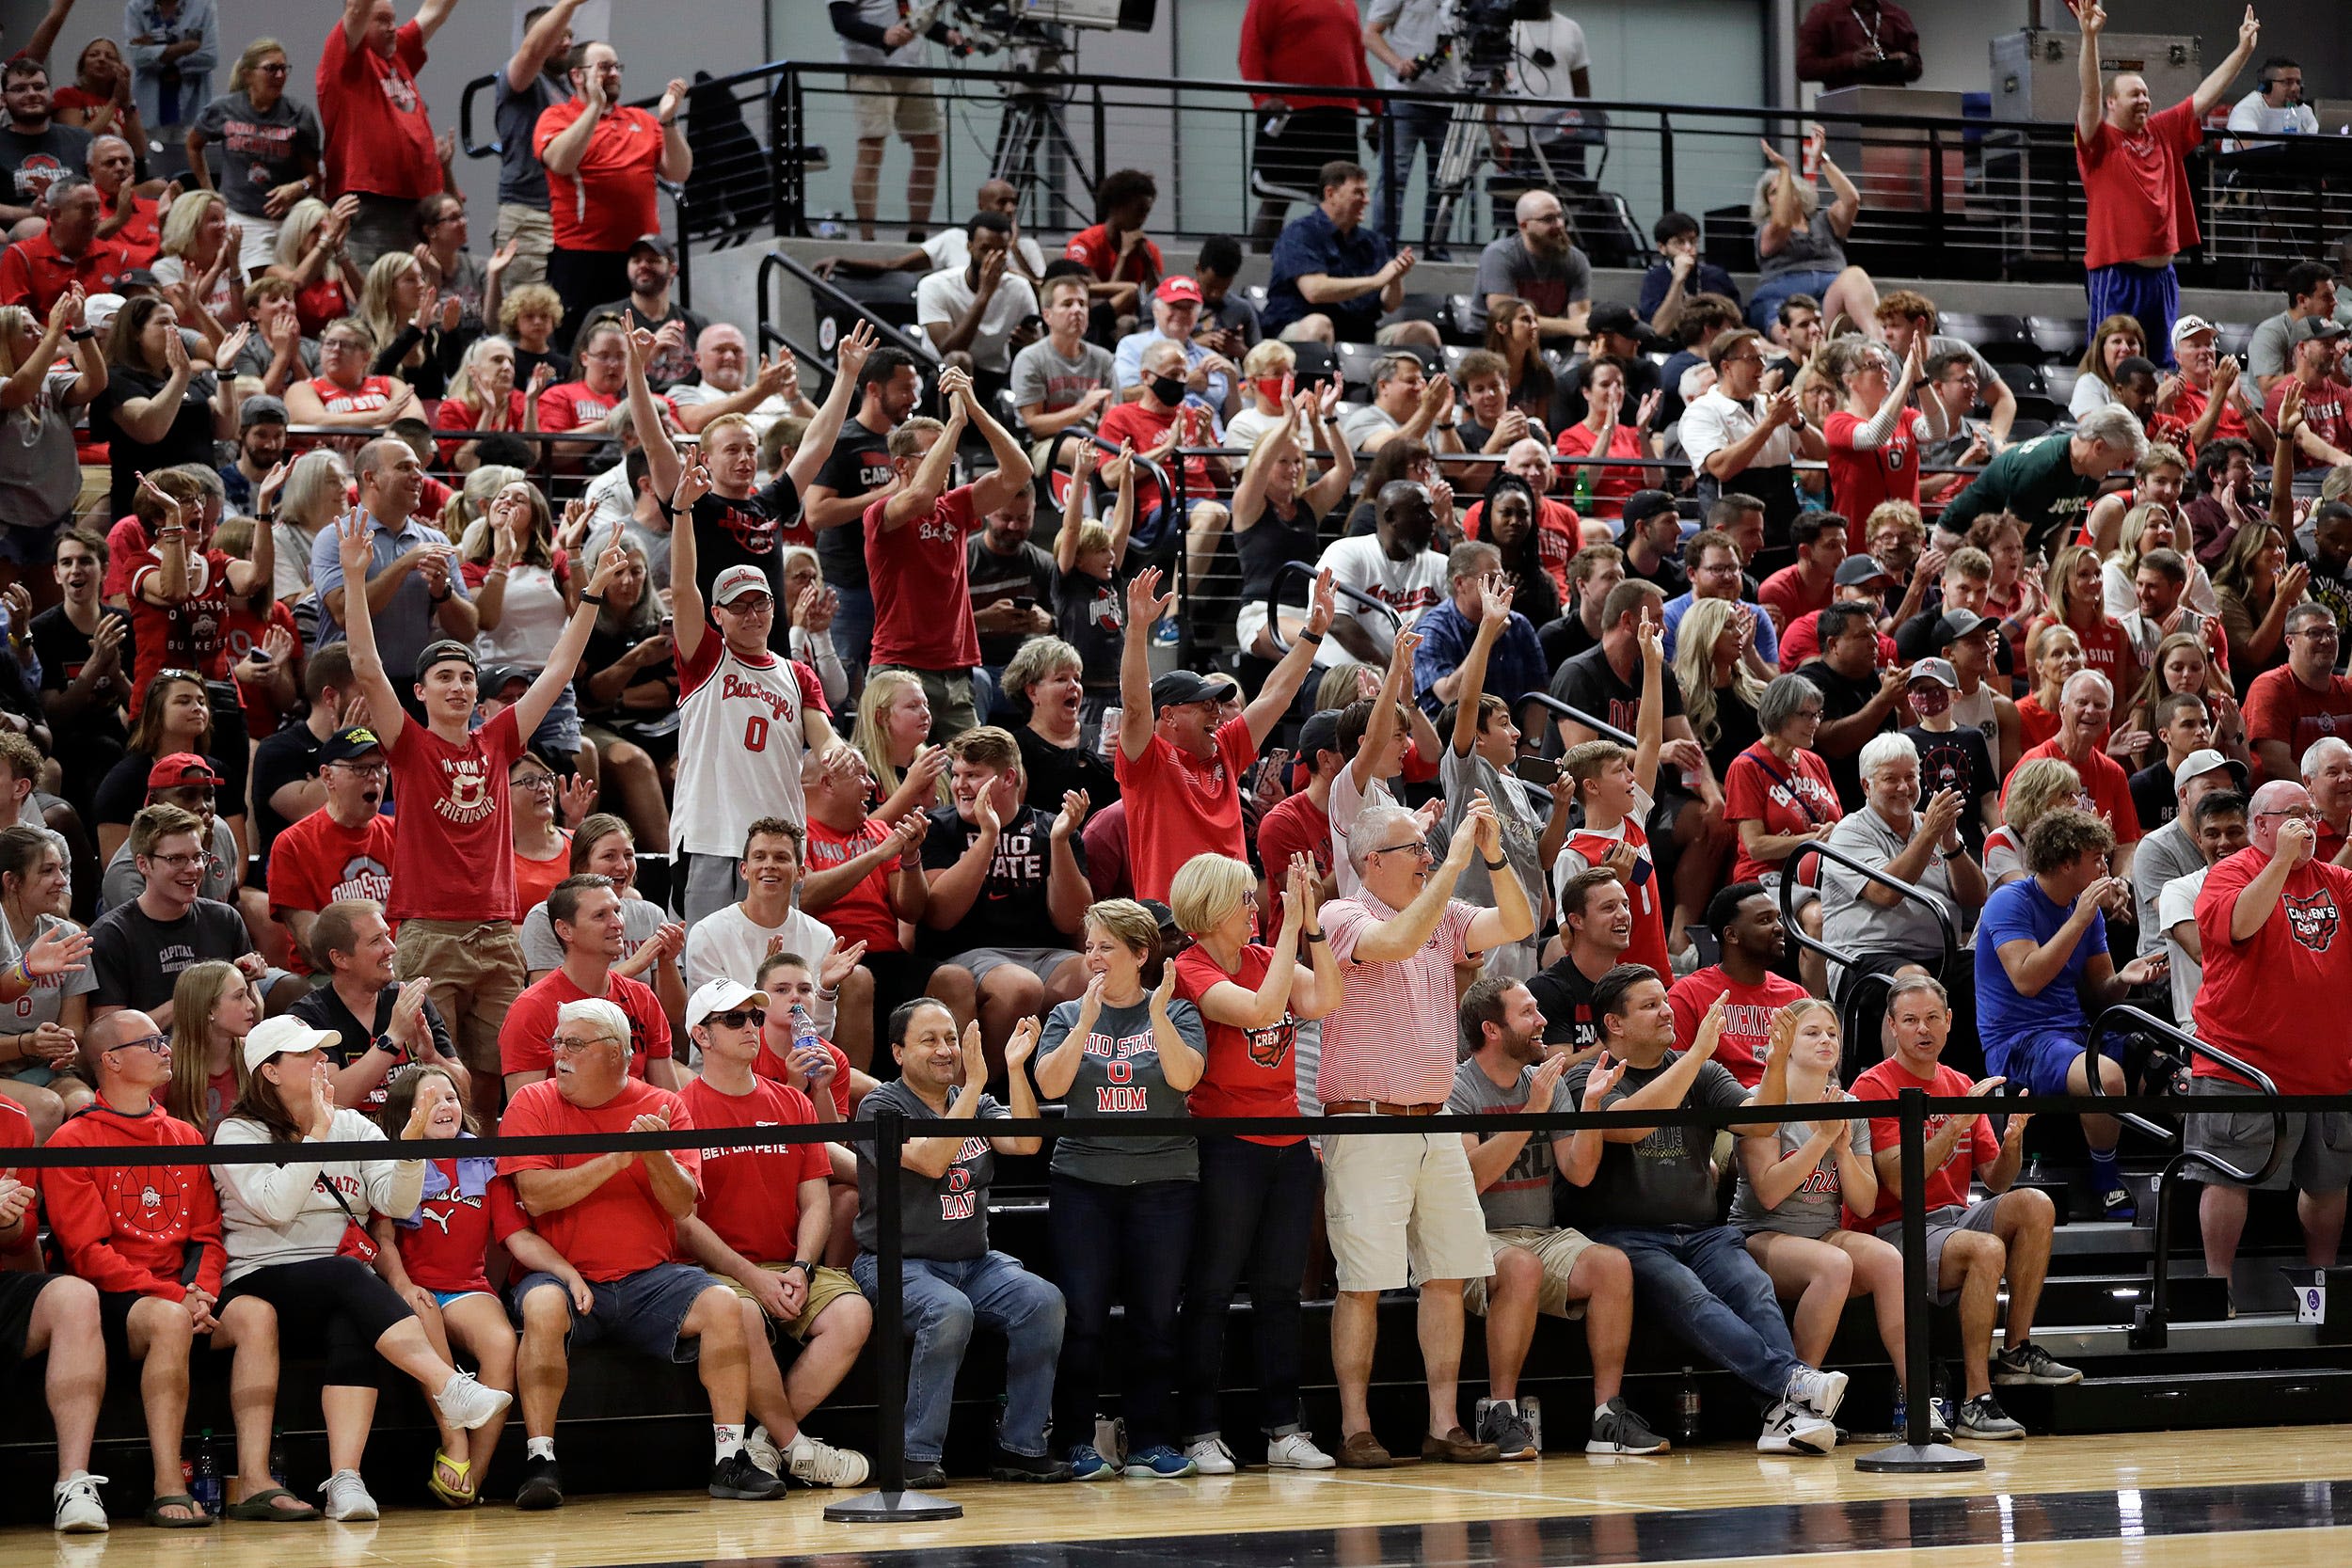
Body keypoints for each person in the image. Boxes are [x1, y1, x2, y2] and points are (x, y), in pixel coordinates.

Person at [328, 505, 622, 1123]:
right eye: (444, 677)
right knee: (430, 1079)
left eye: (466, 676)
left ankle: (494, 1181)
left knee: (505, 1077)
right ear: (422, 691)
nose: (458, 686)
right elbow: (363, 665)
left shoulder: (499, 739)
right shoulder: (409, 745)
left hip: (495, 932)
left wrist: (591, 591)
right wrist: (354, 580)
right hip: (428, 933)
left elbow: (561, 667)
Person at [215, 1013, 513, 1521]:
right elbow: (275, 1207)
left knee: (352, 1316)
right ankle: (447, 1385)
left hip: (337, 1283)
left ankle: (345, 1481)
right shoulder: (237, 1131)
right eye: (307, 1055)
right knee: (352, 1277)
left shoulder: (353, 1123)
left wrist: (411, 1149)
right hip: (261, 1275)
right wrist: (319, 1136)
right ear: (270, 1071)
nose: (323, 1061)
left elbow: (394, 1204)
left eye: (323, 1052)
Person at [1314, 790, 1531, 1467]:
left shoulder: (1440, 911)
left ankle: (1443, 1423)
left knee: (1447, 1273)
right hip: (1367, 1120)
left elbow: (1520, 921)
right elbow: (1399, 938)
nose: (1430, 856)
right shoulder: (1341, 913)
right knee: (1363, 1282)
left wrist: (1491, 853)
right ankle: (1355, 1425)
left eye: (1430, 848)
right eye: (1416, 848)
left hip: (1434, 1120)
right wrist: (1458, 854)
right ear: (1371, 859)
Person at [500, 996, 787, 1505]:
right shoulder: (533, 1103)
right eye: (557, 1042)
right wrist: (614, 1160)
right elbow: (536, 1193)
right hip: (562, 1276)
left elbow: (682, 1206)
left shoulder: (665, 1106)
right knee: (542, 1307)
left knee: (726, 1304)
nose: (559, 1054)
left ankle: (729, 1460)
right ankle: (540, 1461)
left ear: (618, 1054)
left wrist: (654, 1157)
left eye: (574, 1044)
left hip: (649, 1278)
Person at [43, 1007, 310, 1525]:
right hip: (115, 1303)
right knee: (168, 1322)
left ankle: (254, 1479)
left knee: (256, 1314)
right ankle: (168, 1484)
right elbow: (87, 1253)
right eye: (151, 1042)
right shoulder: (70, 1142)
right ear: (112, 1061)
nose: (166, 1048)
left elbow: (209, 1236)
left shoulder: (186, 1137)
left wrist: (202, 1291)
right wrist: (174, 1298)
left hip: (186, 1295)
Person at [1562, 972, 1846, 1453]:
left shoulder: (1707, 1074)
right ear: (1615, 1022)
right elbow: (1629, 1126)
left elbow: (1759, 1125)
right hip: (1625, 1234)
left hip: (1700, 1231)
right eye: (1650, 1005)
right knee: (1693, 1298)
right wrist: (1696, 1054)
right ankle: (1793, 1386)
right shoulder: (1589, 1075)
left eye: (1665, 1001)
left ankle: (1783, 1416)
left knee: (1754, 1288)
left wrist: (1775, 1064)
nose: (1667, 1011)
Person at [1168, 851, 1341, 1472]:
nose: (1253, 908)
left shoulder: (1266, 958)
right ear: (1212, 907)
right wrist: (1290, 923)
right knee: (1211, 1291)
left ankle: (1284, 1428)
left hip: (1289, 1145)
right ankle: (1199, 1430)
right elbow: (1263, 1012)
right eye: (1245, 899)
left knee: (1279, 1291)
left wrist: (1309, 922)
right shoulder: (1189, 968)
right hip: (1224, 1144)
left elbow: (1323, 998)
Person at [853, 998, 1068, 1485]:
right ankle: (914, 1454)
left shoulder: (978, 1103)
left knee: (1042, 1301)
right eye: (929, 1040)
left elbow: (1027, 1143)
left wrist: (1014, 1069)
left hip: (974, 1262)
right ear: (898, 1053)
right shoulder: (881, 1105)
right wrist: (972, 1083)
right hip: (894, 1263)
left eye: (951, 1038)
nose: (945, 1050)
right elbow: (930, 1161)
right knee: (948, 1310)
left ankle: (1020, 1446)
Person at [652, 396, 847, 927]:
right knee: (708, 980)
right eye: (739, 606)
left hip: (777, 846)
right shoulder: (703, 657)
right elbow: (682, 586)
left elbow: (822, 733)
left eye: (761, 602)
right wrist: (683, 512)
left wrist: (835, 749)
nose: (753, 614)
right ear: (719, 613)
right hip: (713, 836)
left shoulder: (795, 672)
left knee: (777, 974)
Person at [1851, 974, 2074, 1437]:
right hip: (1896, 1229)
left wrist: (2012, 1140)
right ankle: (1976, 1400)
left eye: (1933, 1018)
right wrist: (1955, 1124)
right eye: (1910, 1020)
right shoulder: (1873, 1086)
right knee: (1986, 1249)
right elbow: (1898, 1182)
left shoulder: (1959, 1082)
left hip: (1953, 1219)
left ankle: (2017, 1351)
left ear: (1950, 1022)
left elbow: (1996, 1180)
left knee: (2035, 1202)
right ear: (1892, 1026)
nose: (1923, 1029)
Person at [672, 978, 874, 1487]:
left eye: (755, 1018)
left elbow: (815, 1198)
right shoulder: (679, 1109)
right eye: (734, 1019)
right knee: (738, 1311)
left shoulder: (793, 1102)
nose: (751, 1028)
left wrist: (803, 1267)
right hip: (714, 1269)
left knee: (853, 1312)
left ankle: (763, 1443)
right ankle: (797, 1447)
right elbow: (683, 1220)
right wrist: (753, 1278)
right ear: (700, 1036)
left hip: (788, 1263)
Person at [1029, 898, 1205, 1479]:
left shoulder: (1178, 1014)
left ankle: (1151, 1438)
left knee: (1155, 1316)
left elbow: (1183, 1080)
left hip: (1165, 1183)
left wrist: (1154, 1013)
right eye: (1089, 946)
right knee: (1083, 1318)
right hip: (1084, 1184)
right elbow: (1051, 1086)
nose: (1094, 957)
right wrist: (1084, 1021)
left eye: (1106, 946)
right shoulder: (1063, 1015)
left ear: (1139, 952)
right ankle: (1077, 1438)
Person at [1452, 976, 1662, 1456]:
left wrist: (1589, 1104)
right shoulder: (1459, 1087)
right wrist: (1531, 1113)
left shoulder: (1545, 1082)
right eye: (1527, 1013)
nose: (1543, 1020)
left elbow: (1580, 1172)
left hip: (1541, 1233)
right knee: (1521, 1268)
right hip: (1473, 1238)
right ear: (1492, 1029)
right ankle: (1500, 1412)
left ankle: (1607, 1416)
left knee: (1612, 1265)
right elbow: (1471, 1180)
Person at [1726, 999, 1923, 1432]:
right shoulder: (1761, 1104)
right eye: (1812, 1032)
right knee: (1835, 1265)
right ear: (1787, 1045)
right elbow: (1771, 1193)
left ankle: (1917, 1402)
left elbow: (1866, 1203)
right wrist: (1820, 1140)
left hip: (1824, 1232)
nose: (1826, 1040)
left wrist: (1840, 1149)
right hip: (1759, 1236)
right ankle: (1794, 1401)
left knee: (1891, 1261)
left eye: (1832, 1033)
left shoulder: (1850, 1104)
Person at [2187, 780, 2352, 1287]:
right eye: (2294, 814)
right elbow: (2241, 924)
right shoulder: (2227, 874)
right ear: (2261, 825)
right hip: (2241, 1066)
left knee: (2329, 1184)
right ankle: (2219, 1287)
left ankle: (2321, 1286)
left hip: (2327, 1068)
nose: (2309, 823)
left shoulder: (2336, 881)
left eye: (2312, 814)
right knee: (2226, 1179)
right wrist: (2280, 861)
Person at [1976, 808, 2168, 1218]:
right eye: (2097, 858)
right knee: (2107, 1076)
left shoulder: (2088, 912)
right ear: (2066, 862)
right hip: (2019, 1039)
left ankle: (2186, 1180)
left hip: (2074, 1030)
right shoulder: (2009, 902)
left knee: (2168, 1070)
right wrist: (2078, 919)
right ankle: (2104, 1183)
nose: (2106, 867)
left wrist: (2124, 979)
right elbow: (2027, 979)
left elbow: (2101, 994)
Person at [1116, 564, 1336, 902]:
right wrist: (1138, 629)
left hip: (1237, 923)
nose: (1218, 712)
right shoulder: (1148, 761)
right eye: (1205, 705)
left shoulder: (1225, 749)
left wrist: (1313, 634)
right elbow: (1134, 706)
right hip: (1175, 928)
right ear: (1169, 715)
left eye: (1218, 704)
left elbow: (1275, 694)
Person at [2073, 0, 2262, 362]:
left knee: (2159, 366)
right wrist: (2089, 36)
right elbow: (2089, 93)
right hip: (2116, 275)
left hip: (2162, 277)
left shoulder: (2160, 131)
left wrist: (2242, 51)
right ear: (2112, 103)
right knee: (2112, 366)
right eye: (2135, 94)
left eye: (2146, 93)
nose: (2144, 99)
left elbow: (2205, 96)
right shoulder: (2098, 141)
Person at [864, 364, 1033, 737]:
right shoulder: (882, 514)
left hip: (957, 670)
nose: (945, 465)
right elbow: (919, 496)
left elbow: (1019, 473)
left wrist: (974, 409)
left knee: (971, 773)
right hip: (899, 668)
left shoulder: (955, 507)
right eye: (935, 454)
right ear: (901, 465)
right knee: (896, 780)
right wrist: (955, 422)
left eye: (948, 455)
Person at [914, 726, 1088, 1074]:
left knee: (1099, 976)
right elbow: (939, 915)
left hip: (1045, 953)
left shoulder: (1052, 827)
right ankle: (989, 1097)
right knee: (1020, 987)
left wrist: (1059, 843)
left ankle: (1067, 1088)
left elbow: (1072, 920)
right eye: (958, 774)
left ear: (1008, 778)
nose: (960, 785)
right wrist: (988, 835)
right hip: (968, 954)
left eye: (974, 775)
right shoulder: (938, 826)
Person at [532, 45, 689, 338]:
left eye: (617, 66)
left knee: (641, 345)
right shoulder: (556, 117)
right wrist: (594, 106)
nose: (614, 73)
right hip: (582, 258)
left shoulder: (642, 120)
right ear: (577, 75)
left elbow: (679, 172)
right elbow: (560, 162)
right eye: (605, 67)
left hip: (638, 256)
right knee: (582, 345)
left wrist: (667, 120)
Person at [684, 817, 868, 1060]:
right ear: (744, 870)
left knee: (867, 1088)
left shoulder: (821, 936)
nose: (769, 865)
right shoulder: (707, 933)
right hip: (729, 1067)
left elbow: (819, 1033)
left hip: (799, 1061)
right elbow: (715, 1028)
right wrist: (762, 987)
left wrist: (824, 992)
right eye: (760, 857)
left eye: (781, 858)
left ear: (800, 873)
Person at [316, 0, 460, 266]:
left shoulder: (398, 54)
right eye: (382, 20)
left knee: (419, 298)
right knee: (377, 297)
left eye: (393, 19)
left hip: (421, 205)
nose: (392, 27)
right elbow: (358, 9)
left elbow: (436, 10)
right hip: (374, 206)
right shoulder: (345, 59)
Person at [88, 803, 252, 1023]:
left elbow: (254, 1019)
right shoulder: (111, 935)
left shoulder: (225, 920)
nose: (193, 868)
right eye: (176, 859)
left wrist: (247, 980)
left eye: (197, 856)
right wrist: (196, 998)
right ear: (143, 864)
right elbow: (111, 1034)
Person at [1239, 1, 1375, 248]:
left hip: (1340, 118)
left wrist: (1378, 111)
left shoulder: (1348, 4)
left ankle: (1335, 281)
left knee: (1340, 206)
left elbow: (1357, 63)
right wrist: (1262, 98)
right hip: (1289, 114)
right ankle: (1258, 282)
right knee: (1275, 199)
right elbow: (1251, 48)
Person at [262, 725, 396, 970]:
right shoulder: (293, 844)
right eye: (359, 768)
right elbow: (310, 945)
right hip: (334, 974)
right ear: (327, 776)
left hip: (401, 963)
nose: (374, 776)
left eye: (379, 767)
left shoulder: (400, 834)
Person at [1939, 412, 2149, 561]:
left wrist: (2055, 573)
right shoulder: (2041, 468)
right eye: (2120, 459)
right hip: (1962, 538)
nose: (2119, 467)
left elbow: (2063, 524)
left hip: (2020, 544)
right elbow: (2010, 543)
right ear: (2099, 447)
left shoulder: (2091, 473)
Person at [1682, 328, 1826, 539]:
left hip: (1782, 527)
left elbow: (1820, 452)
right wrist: (1769, 423)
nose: (1762, 366)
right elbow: (1721, 468)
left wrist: (1796, 421)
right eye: (1752, 359)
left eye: (1762, 357)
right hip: (1731, 534)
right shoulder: (1702, 410)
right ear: (1726, 366)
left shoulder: (1770, 404)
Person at [829, 0, 952, 244]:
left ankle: (917, 235)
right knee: (871, 150)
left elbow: (918, 19)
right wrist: (883, 36)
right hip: (870, 69)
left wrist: (949, 35)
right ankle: (868, 238)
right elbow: (842, 20)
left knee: (929, 149)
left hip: (913, 68)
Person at [1262, 161, 1419, 347]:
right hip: (1299, 329)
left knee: (1421, 332)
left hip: (1360, 335)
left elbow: (1390, 305)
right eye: (1358, 193)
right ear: (1331, 194)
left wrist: (1395, 278)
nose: (1366, 200)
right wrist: (1376, 280)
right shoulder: (1300, 233)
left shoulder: (1372, 241)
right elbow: (1314, 291)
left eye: (1366, 192)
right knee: (1318, 325)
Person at [1669, 883, 1811, 1087]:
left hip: (1786, 1105)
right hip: (1722, 1110)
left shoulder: (1796, 995)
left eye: (1778, 918)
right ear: (1731, 935)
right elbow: (1674, 1075)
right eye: (1765, 920)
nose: (1779, 927)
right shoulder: (1688, 994)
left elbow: (1823, 1068)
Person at [2011, 670, 2144, 875]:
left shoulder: (2113, 772)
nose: (2090, 711)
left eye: (2100, 705)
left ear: (2108, 716)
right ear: (2062, 709)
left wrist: (2121, 883)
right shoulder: (2033, 764)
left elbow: (2126, 845)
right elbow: (2013, 835)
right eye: (2082, 703)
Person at [1747, 132, 1879, 339]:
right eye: (1774, 192)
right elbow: (1782, 222)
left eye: (1787, 186)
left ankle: (1878, 344)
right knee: (1789, 324)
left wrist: (1820, 160)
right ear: (1768, 203)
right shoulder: (1767, 231)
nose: (1782, 192)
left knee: (1855, 275)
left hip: (1831, 299)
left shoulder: (1825, 221)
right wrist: (1784, 169)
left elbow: (1851, 200)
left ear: (1799, 192)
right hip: (1783, 300)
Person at [1465, 189, 1590, 341]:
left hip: (1546, 344)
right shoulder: (1500, 255)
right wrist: (1569, 327)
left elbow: (1581, 325)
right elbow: (1507, 319)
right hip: (1494, 342)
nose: (1559, 225)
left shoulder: (1575, 260)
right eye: (1548, 219)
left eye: (1560, 216)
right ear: (1524, 226)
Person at [0, 57, 94, 227]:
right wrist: (31, 214)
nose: (31, 94)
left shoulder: (82, 140)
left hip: (79, 225)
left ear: (50, 94)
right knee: (35, 226)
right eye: (20, 89)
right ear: (4, 100)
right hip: (18, 232)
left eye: (39, 87)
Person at [1796, 0, 1922, 88]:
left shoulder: (1897, 15)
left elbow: (1917, 68)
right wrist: (1852, 61)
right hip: (1846, 111)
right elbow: (1805, 67)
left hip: (1892, 109)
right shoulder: (1825, 13)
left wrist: (1905, 62)